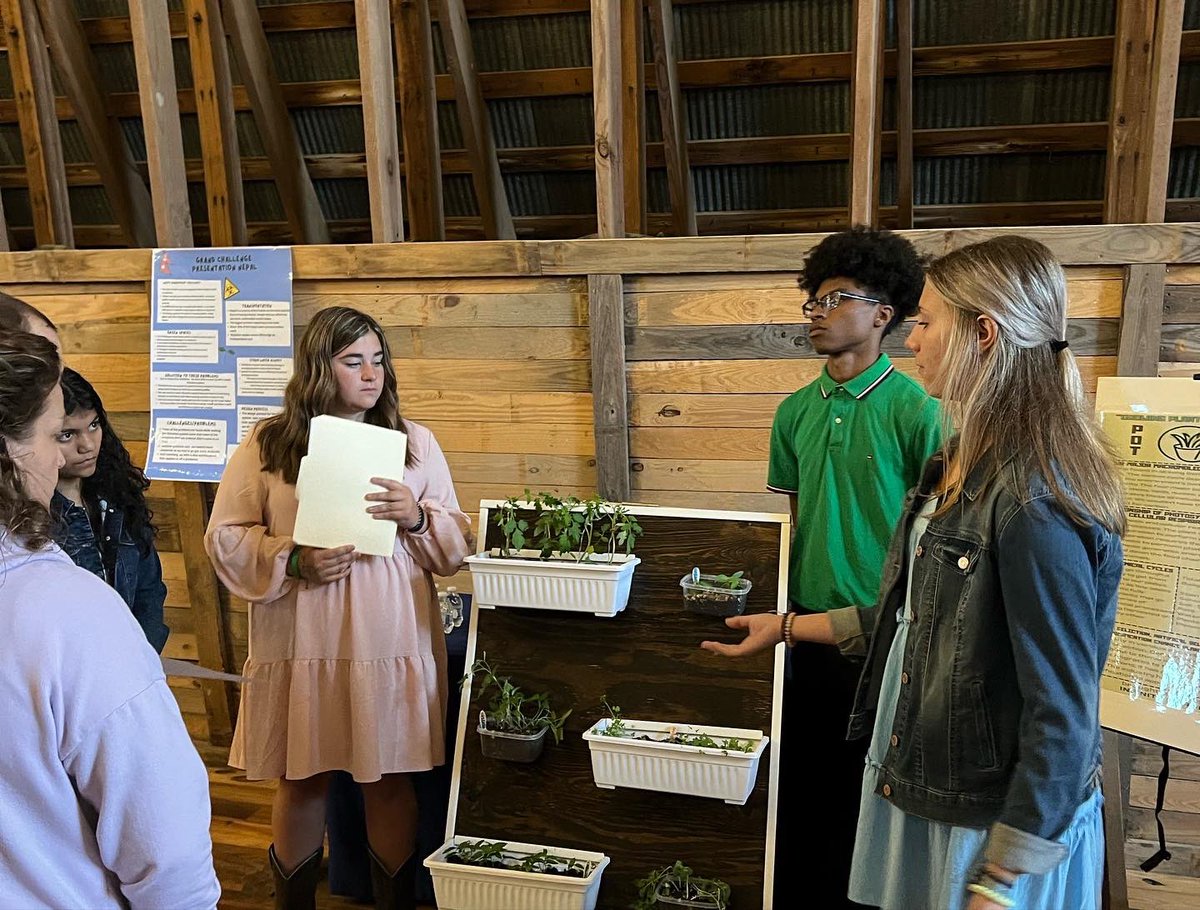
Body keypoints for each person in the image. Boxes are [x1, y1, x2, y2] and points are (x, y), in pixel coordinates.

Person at [706, 236, 1125, 910]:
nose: (914, 340)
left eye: (928, 322)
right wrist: (786, 626)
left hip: (985, 821)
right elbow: (917, 616)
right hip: (927, 781)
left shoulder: (1033, 501)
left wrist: (1002, 876)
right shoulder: (957, 465)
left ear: (983, 334)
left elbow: (1063, 709)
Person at [205, 306, 473, 909]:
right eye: (353, 361)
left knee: (389, 778)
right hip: (305, 639)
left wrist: (419, 516)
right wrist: (294, 560)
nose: (370, 374)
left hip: (389, 637)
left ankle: (394, 902)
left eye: (378, 360)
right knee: (301, 778)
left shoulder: (417, 443)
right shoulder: (269, 443)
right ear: (319, 370)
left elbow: (454, 546)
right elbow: (226, 535)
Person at [0, 331, 219, 908]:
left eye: (89, 427)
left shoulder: (113, 504)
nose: (65, 451)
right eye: (56, 434)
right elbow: (166, 852)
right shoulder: (59, 607)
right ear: (10, 448)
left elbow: (148, 588)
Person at [765, 227, 942, 906]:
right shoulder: (792, 413)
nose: (816, 311)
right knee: (802, 793)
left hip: (886, 635)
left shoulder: (917, 410)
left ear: (883, 314)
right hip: (802, 629)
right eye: (812, 299)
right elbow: (800, 515)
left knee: (865, 801)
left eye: (835, 298)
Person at [52, 367, 169, 651]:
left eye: (94, 425)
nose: (88, 445)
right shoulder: (31, 516)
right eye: (67, 435)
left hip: (130, 667)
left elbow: (149, 590)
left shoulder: (118, 495)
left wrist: (140, 657)